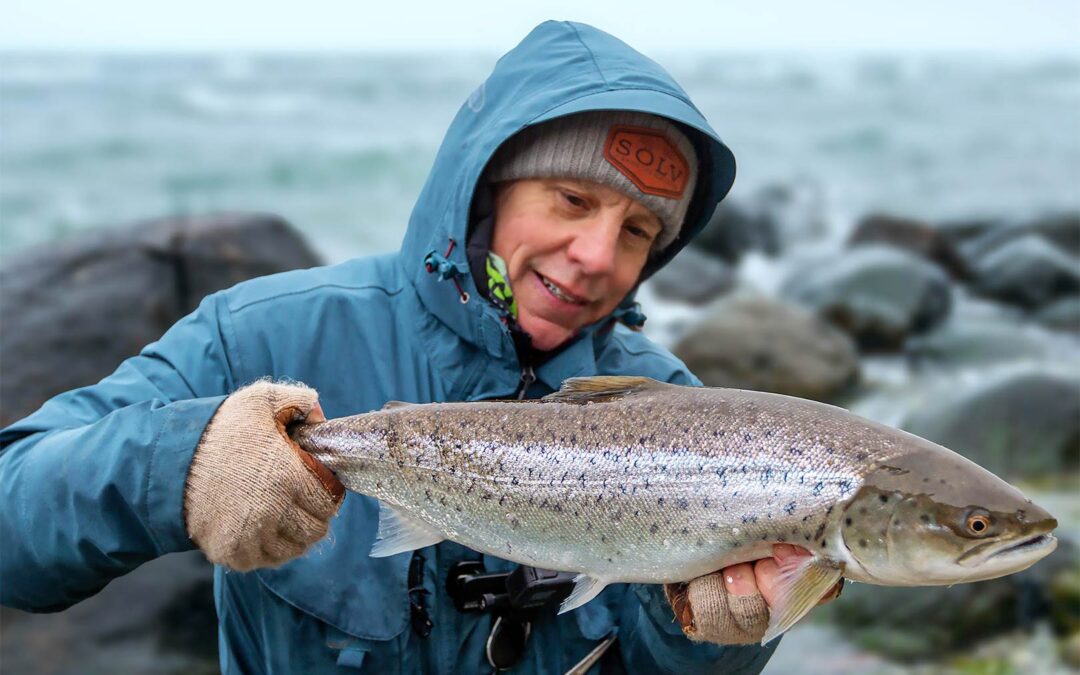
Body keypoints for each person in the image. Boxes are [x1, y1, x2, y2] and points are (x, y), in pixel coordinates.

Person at [0, 21, 836, 673]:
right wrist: (177, 467)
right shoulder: (263, 334)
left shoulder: (687, 420)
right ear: (486, 189)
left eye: (639, 230)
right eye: (573, 198)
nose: (596, 254)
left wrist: (710, 634)